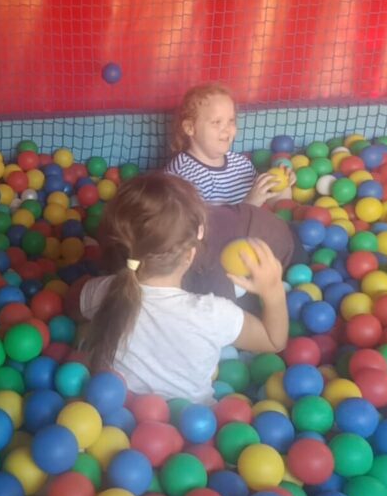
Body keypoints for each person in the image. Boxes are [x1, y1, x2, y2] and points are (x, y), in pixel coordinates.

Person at [69, 173, 288, 404]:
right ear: (190, 254)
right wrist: (273, 291)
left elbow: (72, 303)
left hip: (113, 410)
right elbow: (273, 341)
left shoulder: (105, 291)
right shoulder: (213, 314)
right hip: (194, 419)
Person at [165, 83, 301, 300]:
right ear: (190, 128)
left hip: (253, 244)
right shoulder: (184, 173)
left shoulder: (239, 163)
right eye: (216, 122)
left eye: (231, 121)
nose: (226, 129)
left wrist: (282, 186)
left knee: (297, 238)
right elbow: (202, 235)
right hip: (216, 257)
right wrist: (249, 205)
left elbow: (276, 206)